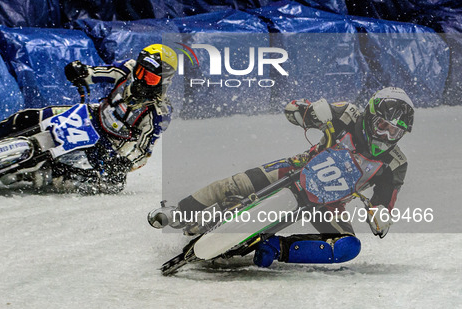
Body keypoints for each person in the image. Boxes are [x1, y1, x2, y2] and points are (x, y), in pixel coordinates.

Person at [149, 87, 414, 267]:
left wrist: (381, 215)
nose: (385, 136)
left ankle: (275, 248)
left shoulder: (395, 164)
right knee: (237, 183)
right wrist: (309, 111)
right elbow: (292, 109)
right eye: (382, 125)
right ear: (370, 115)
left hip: (329, 203)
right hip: (299, 167)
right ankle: (180, 212)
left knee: (348, 246)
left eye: (395, 132)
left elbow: (384, 202)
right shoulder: (346, 113)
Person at [0, 44, 177, 194]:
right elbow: (97, 73)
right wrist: (80, 71)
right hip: (90, 116)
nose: (140, 78)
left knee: (109, 181)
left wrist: (124, 164)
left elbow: (143, 151)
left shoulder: (159, 111)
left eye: (149, 77)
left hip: (108, 146)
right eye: (141, 71)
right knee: (31, 116)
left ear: (164, 81)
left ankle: (35, 175)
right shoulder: (128, 69)